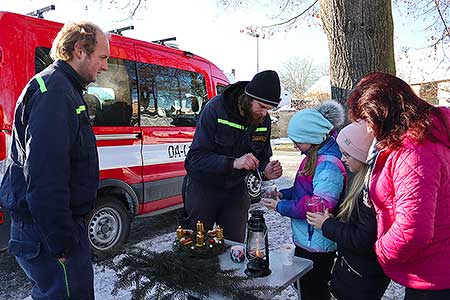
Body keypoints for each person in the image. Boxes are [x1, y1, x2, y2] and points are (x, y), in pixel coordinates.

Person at [0, 22, 110, 299]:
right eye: (103, 57)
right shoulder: (55, 93)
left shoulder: (63, 88)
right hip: (47, 231)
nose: (106, 67)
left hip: (49, 227)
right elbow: (46, 177)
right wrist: (61, 243)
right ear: (79, 50)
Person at [346, 72, 450, 300]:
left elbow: (413, 230)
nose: (369, 131)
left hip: (433, 277)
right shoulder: (414, 140)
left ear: (385, 113)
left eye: (368, 121)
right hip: (431, 270)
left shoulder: (415, 151)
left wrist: (381, 251)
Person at [182, 70, 283, 242]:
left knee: (235, 247)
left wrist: (266, 170)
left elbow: (262, 158)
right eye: (262, 107)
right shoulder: (215, 108)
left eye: (269, 109)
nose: (265, 114)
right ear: (248, 99)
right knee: (196, 245)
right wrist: (234, 163)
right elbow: (194, 159)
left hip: (236, 188)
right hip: (203, 186)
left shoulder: (262, 119)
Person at [262, 100, 346, 300]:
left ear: (312, 137)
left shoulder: (328, 165)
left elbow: (317, 206)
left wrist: (280, 206)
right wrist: (284, 194)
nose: (295, 146)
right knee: (305, 288)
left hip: (318, 244)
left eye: (298, 141)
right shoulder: (312, 156)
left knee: (314, 291)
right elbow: (303, 190)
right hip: (307, 240)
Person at [306, 121, 390, 300]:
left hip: (361, 277)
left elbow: (361, 239)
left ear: (362, 155)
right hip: (352, 270)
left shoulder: (370, 191)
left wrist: (326, 224)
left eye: (347, 154)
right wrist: (333, 219)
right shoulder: (358, 179)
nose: (342, 159)